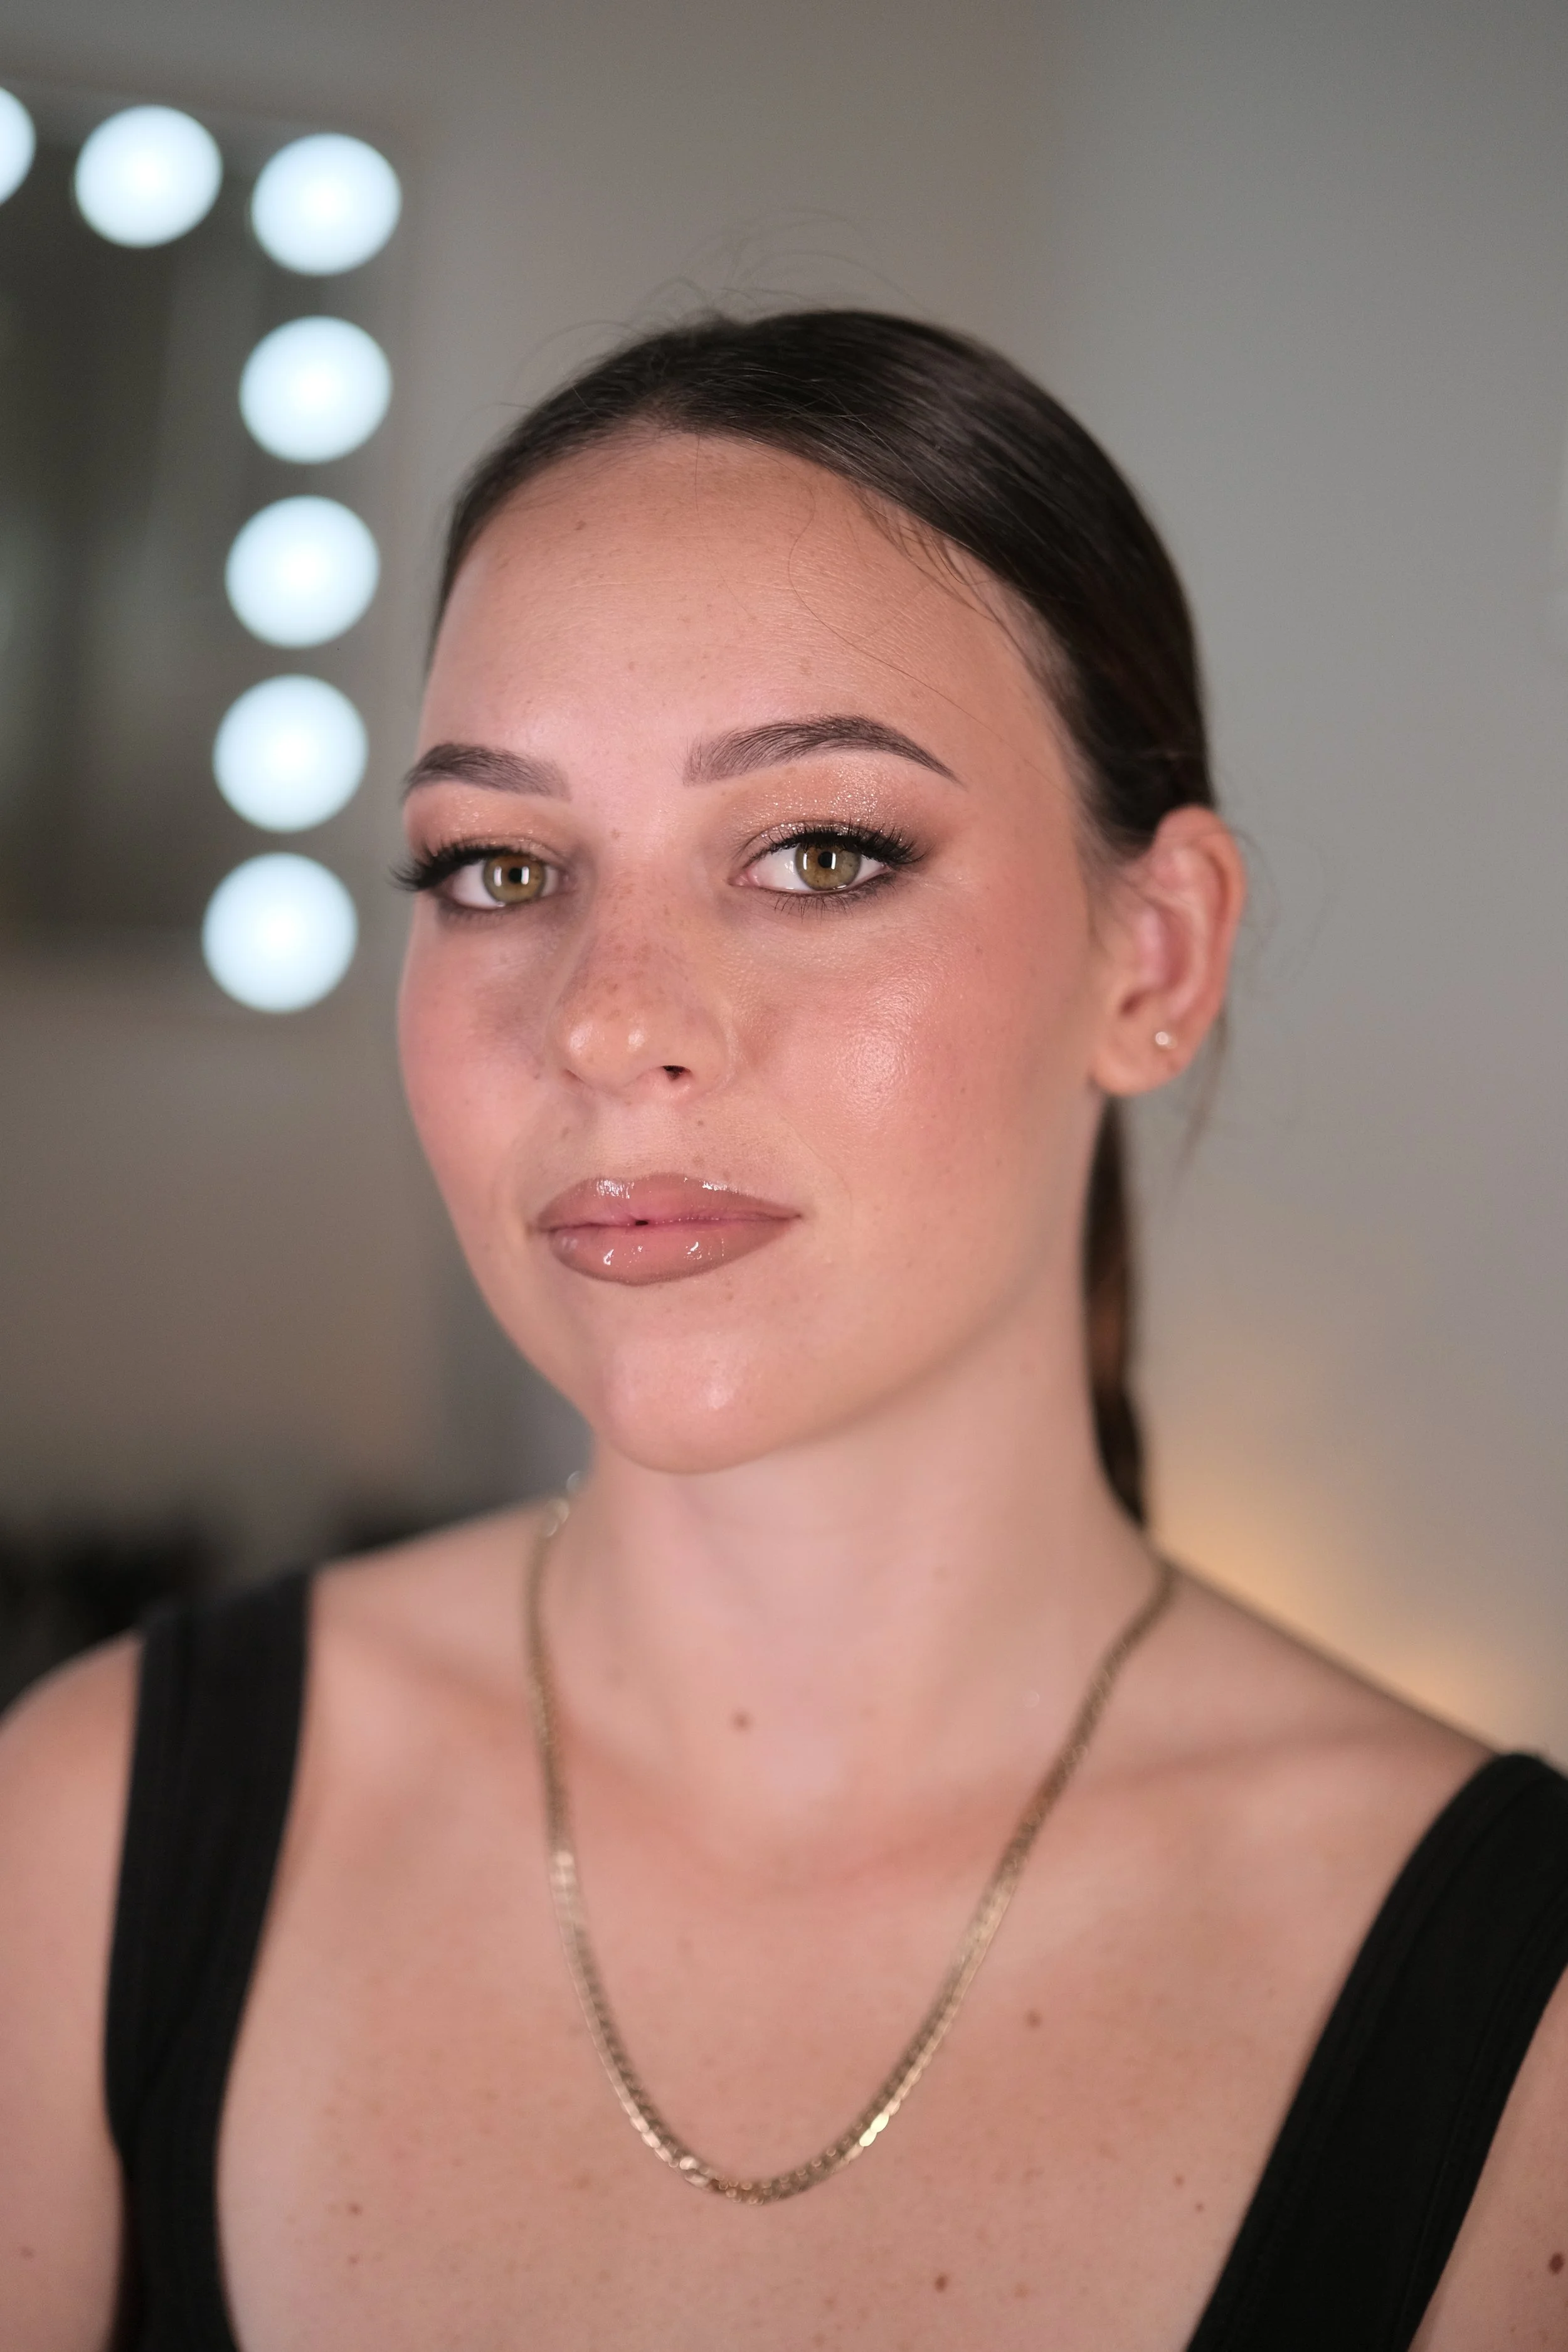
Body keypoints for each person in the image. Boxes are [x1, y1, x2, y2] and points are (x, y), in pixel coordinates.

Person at [2, 310, 1565, 2352]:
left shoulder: (1518, 2041)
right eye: (497, 864)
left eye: (821, 851)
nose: (604, 1014)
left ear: (1152, 954)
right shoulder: (91, 1834)